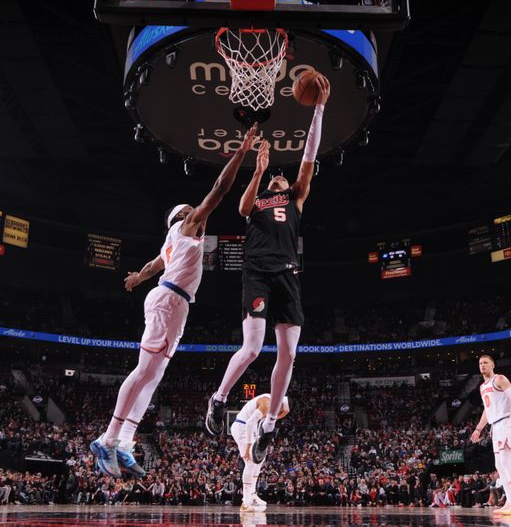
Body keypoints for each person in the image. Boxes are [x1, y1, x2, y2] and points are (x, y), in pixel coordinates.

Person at [90, 125, 261, 478]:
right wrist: (241, 152)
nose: (199, 214)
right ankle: (107, 438)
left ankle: (125, 441)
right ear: (184, 218)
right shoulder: (187, 228)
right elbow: (219, 190)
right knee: (143, 372)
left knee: (153, 377)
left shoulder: (171, 241)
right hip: (169, 301)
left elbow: (155, 264)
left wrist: (138, 276)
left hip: (172, 303)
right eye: (192, 212)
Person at [206, 75, 331, 465]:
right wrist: (258, 171)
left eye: (280, 174)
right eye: (274, 176)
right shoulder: (257, 202)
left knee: (289, 354)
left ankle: (270, 426)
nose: (279, 174)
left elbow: (310, 154)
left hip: (288, 276)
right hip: (257, 272)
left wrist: (319, 109)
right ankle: (219, 398)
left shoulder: (296, 197)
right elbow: (241, 209)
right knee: (253, 347)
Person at [470, 355, 511, 516]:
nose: (482, 365)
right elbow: (487, 411)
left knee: (506, 462)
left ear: (493, 365)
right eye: (480, 363)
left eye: (485, 363)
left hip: (507, 421)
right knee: (499, 465)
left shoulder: (500, 379)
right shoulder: (483, 386)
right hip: (495, 426)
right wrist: (478, 429)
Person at [231, 393, 290, 512]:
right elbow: (250, 423)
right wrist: (248, 446)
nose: (278, 414)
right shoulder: (266, 403)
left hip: (251, 429)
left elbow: (281, 413)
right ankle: (246, 501)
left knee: (259, 460)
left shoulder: (275, 403)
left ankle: (252, 494)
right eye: (280, 411)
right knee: (251, 462)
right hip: (242, 427)